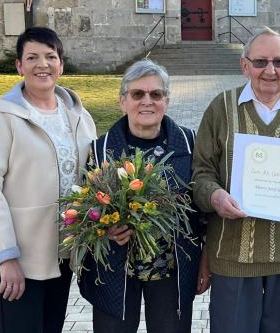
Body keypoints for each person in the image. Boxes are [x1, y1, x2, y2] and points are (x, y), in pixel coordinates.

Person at [192, 28, 280, 333]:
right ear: (245, 66)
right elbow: (201, 172)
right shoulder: (222, 107)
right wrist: (215, 196)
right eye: (260, 62)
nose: (270, 70)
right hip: (233, 255)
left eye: (279, 62)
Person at [0, 26, 97, 332]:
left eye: (50, 56)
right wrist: (6, 257)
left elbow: (93, 177)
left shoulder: (79, 116)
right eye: (33, 57)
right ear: (19, 66)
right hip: (21, 258)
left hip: (62, 255)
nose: (43, 64)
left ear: (61, 64)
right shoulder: (3, 117)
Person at [77, 59, 208, 333]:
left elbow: (203, 210)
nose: (147, 101)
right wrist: (105, 228)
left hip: (171, 270)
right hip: (115, 270)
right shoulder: (100, 151)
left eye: (155, 94)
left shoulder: (189, 143)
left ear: (167, 101)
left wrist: (206, 259)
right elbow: (84, 210)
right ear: (123, 101)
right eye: (138, 94)